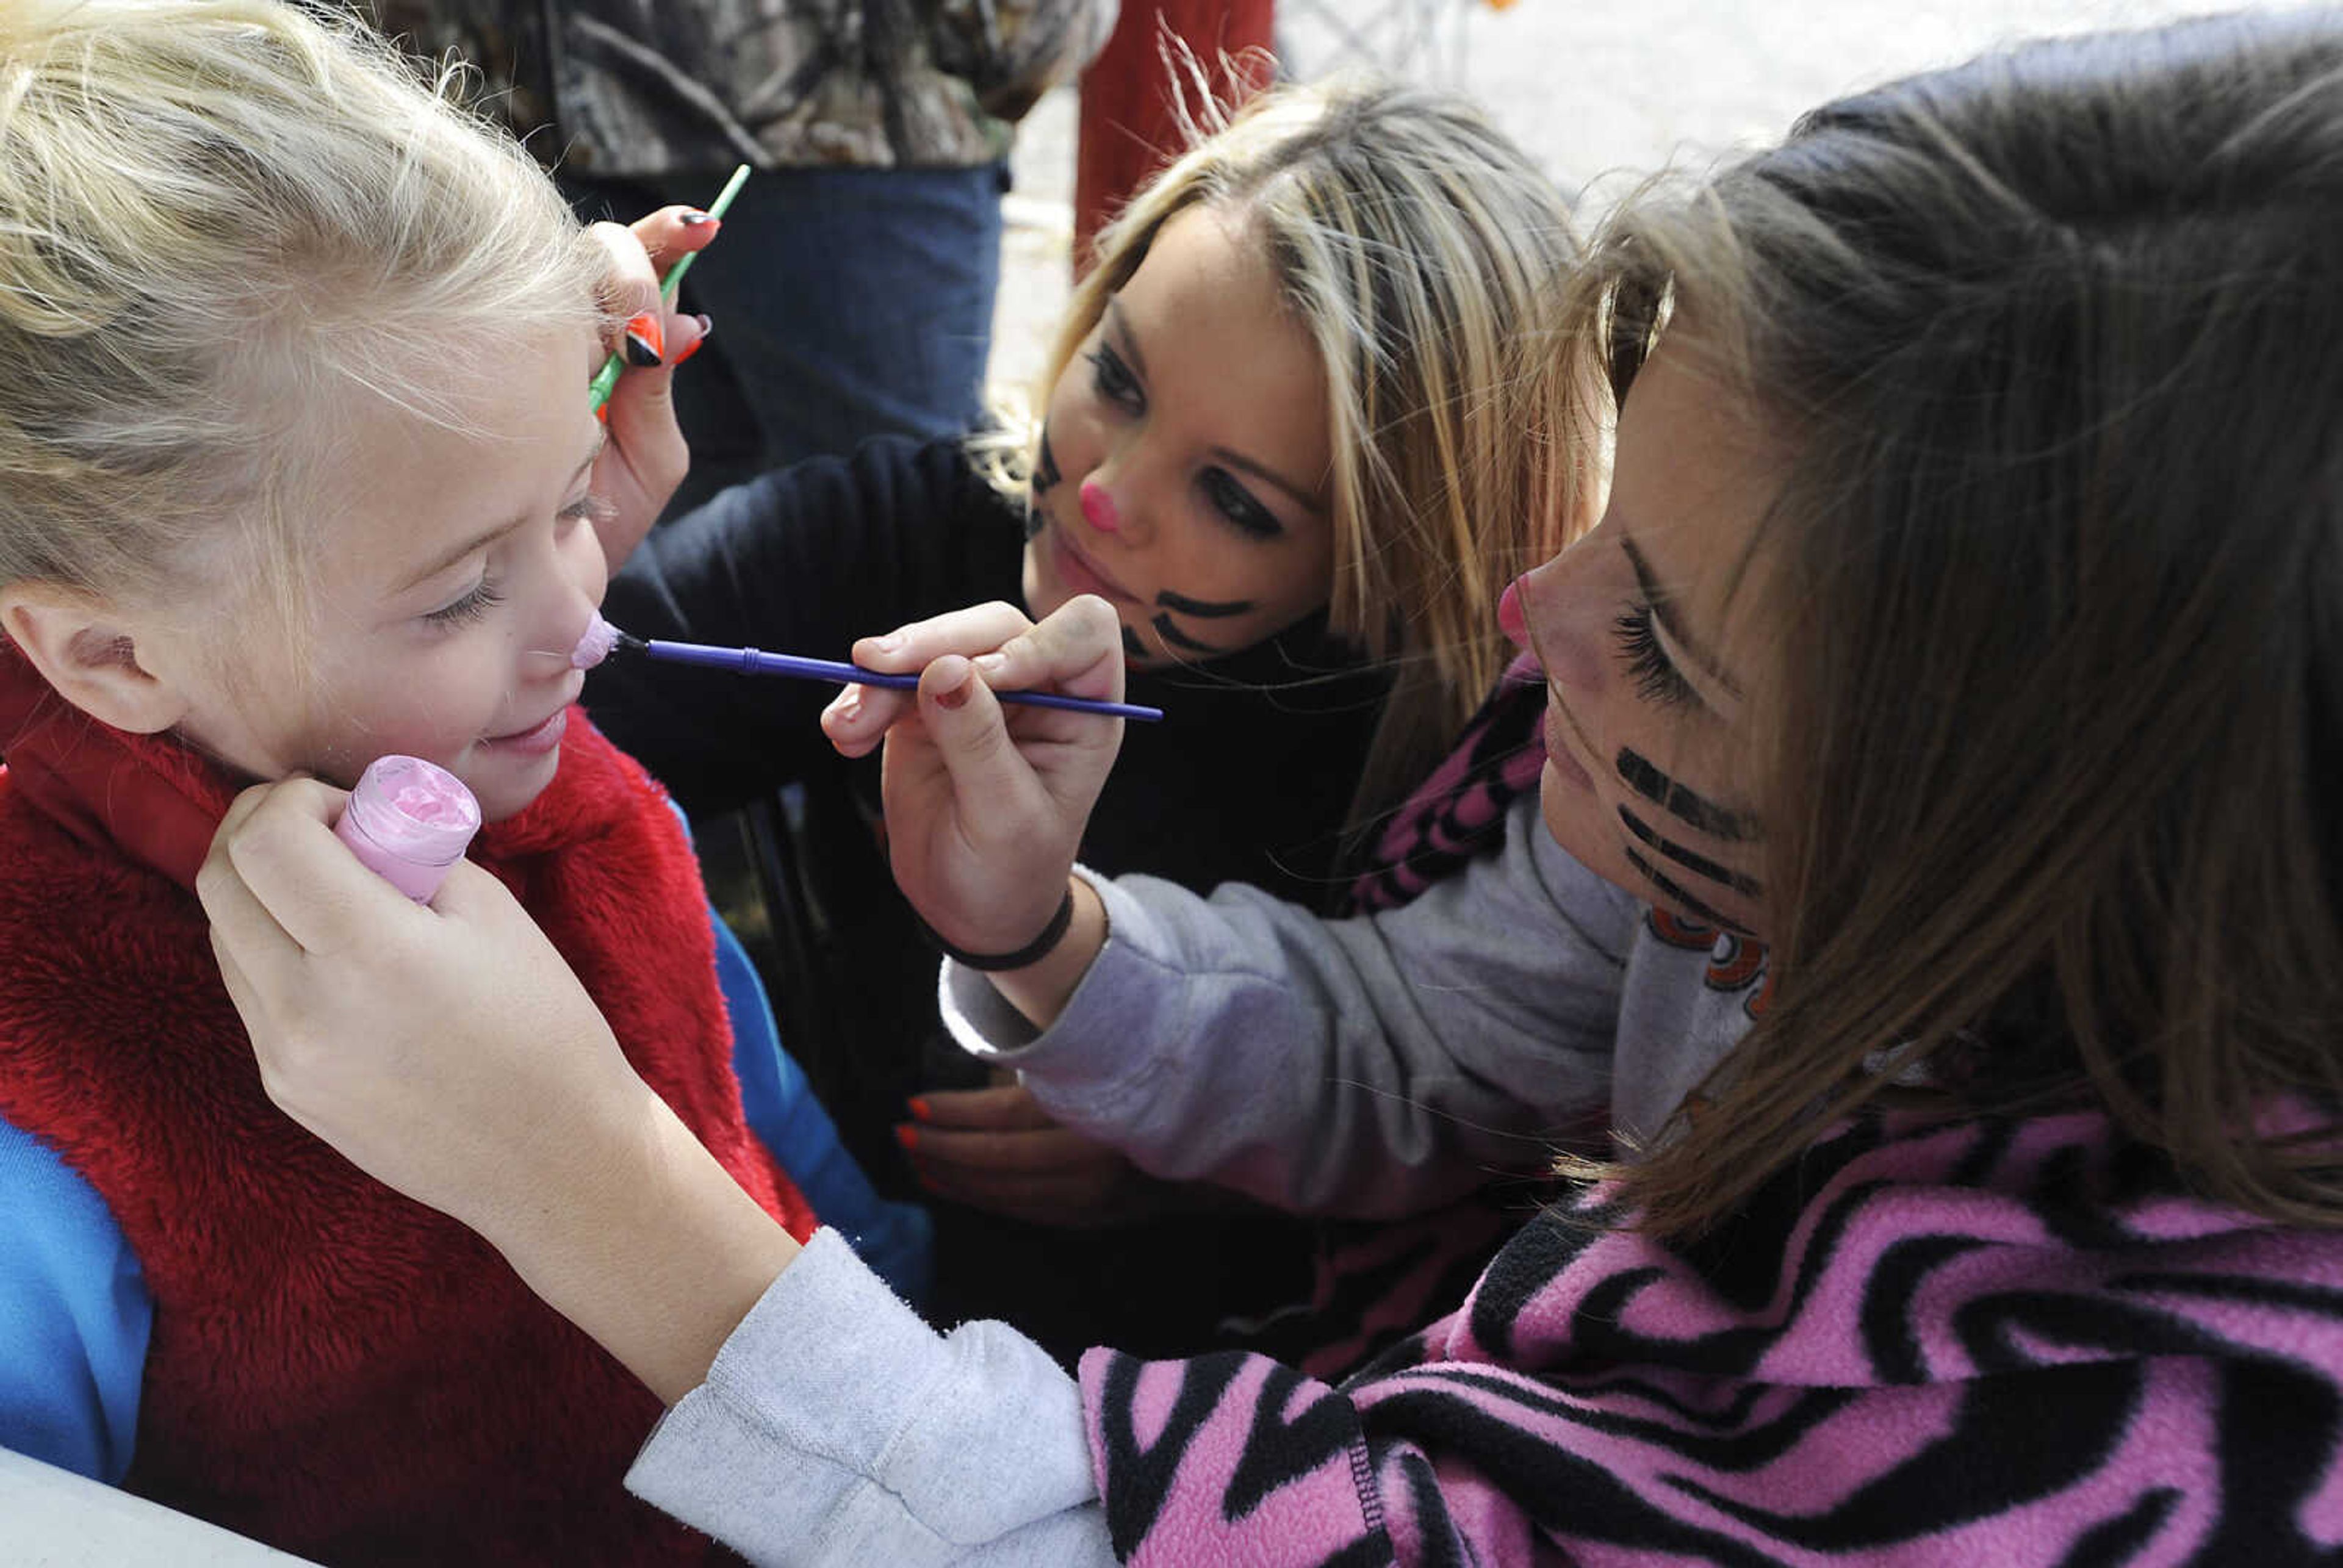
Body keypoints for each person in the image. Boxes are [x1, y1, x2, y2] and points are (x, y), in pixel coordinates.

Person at [204, 7, 2343, 1560]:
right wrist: (1051, 935)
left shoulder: (2117, 1431)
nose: (1529, 618)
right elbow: (1416, 1028)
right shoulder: (1707, 857)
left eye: (1668, 633)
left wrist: (576, 1173)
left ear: (2086, 861)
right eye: (1114, 377)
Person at [0, 2, 906, 1561]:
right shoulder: (49, 1108)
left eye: (572, 501)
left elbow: (796, 1185)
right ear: (114, 657)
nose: (589, 622)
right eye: (455, 592)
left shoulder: (589, 809)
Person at [578, 71, 1587, 1352]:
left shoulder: (1445, 781)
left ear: (1394, 550)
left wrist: (1203, 1166)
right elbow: (572, 703)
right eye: (1118, 377)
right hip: (821, 1284)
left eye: (1236, 499)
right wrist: (554, 498)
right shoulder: (921, 532)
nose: (1107, 491)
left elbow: (1467, 1168)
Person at [367, 0, 1117, 510]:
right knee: (575, 514)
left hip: (841, 108)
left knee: (891, 534)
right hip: (482, 96)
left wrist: (1014, 30)